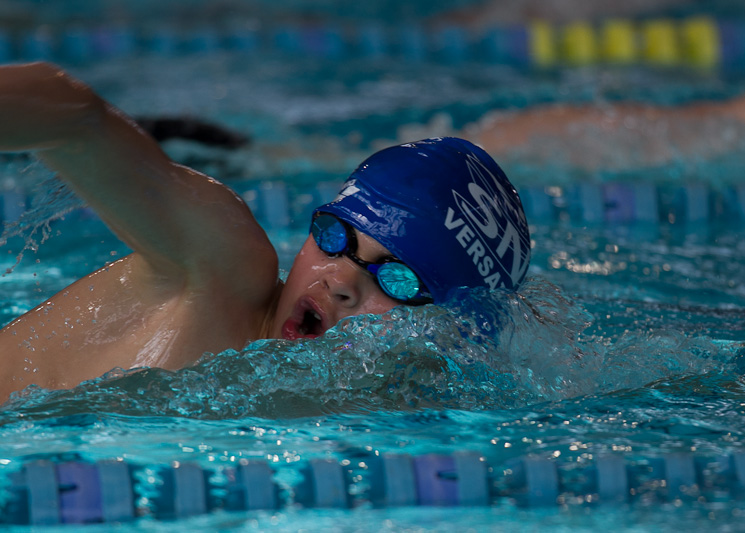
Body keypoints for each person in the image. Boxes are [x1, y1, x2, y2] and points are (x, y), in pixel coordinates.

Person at [0, 62, 531, 403]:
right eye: (335, 239)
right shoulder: (220, 267)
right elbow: (78, 117)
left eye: (396, 278)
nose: (340, 282)